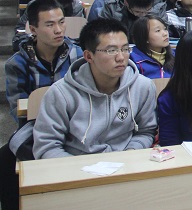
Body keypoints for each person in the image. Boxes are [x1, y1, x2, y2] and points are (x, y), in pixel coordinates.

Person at [32, 18, 157, 159]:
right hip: (77, 165)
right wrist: (79, 167)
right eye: (111, 50)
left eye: (125, 49)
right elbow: (47, 146)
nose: (121, 57)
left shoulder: (143, 86)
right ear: (89, 56)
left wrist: (131, 152)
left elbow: (146, 132)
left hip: (127, 162)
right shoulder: (61, 93)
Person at [6, 0, 83, 121]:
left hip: (75, 123)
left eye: (61, 22)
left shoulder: (79, 56)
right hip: (35, 125)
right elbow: (19, 111)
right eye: (50, 25)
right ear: (33, 29)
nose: (58, 30)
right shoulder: (17, 64)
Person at [101, 0, 167, 36]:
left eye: (147, 10)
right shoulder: (112, 6)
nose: (142, 15)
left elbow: (164, 31)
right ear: (126, 3)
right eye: (137, 12)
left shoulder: (159, 5)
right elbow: (103, 33)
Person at [129, 15, 175, 79]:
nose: (165, 34)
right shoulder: (133, 60)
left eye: (165, 29)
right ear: (144, 37)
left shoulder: (176, 56)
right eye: (158, 30)